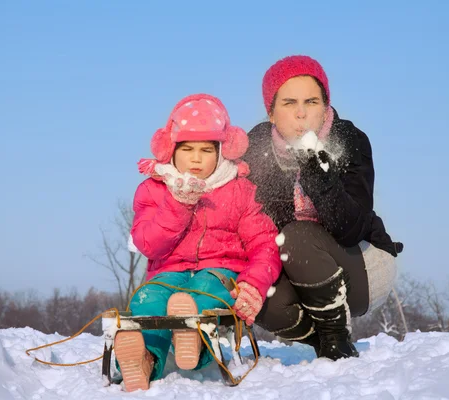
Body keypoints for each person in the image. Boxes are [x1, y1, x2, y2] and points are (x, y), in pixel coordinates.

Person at [242, 55, 403, 361]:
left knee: (297, 236)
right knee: (261, 297)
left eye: (312, 102)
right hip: (295, 270)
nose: (301, 113)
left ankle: (336, 340)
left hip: (363, 266)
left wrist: (316, 172)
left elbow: (351, 228)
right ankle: (325, 339)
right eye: (289, 103)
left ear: (326, 106)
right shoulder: (256, 149)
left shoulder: (350, 140)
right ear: (271, 113)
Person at [117, 93, 282, 392]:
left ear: (221, 151)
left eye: (206, 150)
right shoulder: (154, 189)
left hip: (219, 272)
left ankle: (196, 342)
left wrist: (253, 284)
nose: (196, 158)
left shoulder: (239, 190)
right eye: (188, 149)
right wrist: (178, 204)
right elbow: (148, 244)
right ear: (171, 150)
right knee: (148, 300)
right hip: (167, 275)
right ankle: (143, 358)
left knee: (204, 293)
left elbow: (264, 244)